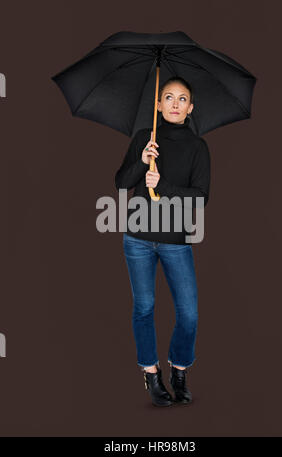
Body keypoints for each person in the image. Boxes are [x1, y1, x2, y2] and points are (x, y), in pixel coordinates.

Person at [115, 76, 211, 407]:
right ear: (158, 104)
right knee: (144, 307)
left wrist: (164, 186)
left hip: (174, 240)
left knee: (189, 312)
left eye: (181, 99)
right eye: (167, 97)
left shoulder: (198, 147)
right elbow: (121, 181)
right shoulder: (146, 138)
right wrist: (141, 163)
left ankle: (179, 370)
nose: (174, 103)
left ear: (190, 107)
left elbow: (200, 198)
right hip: (137, 238)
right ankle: (151, 373)